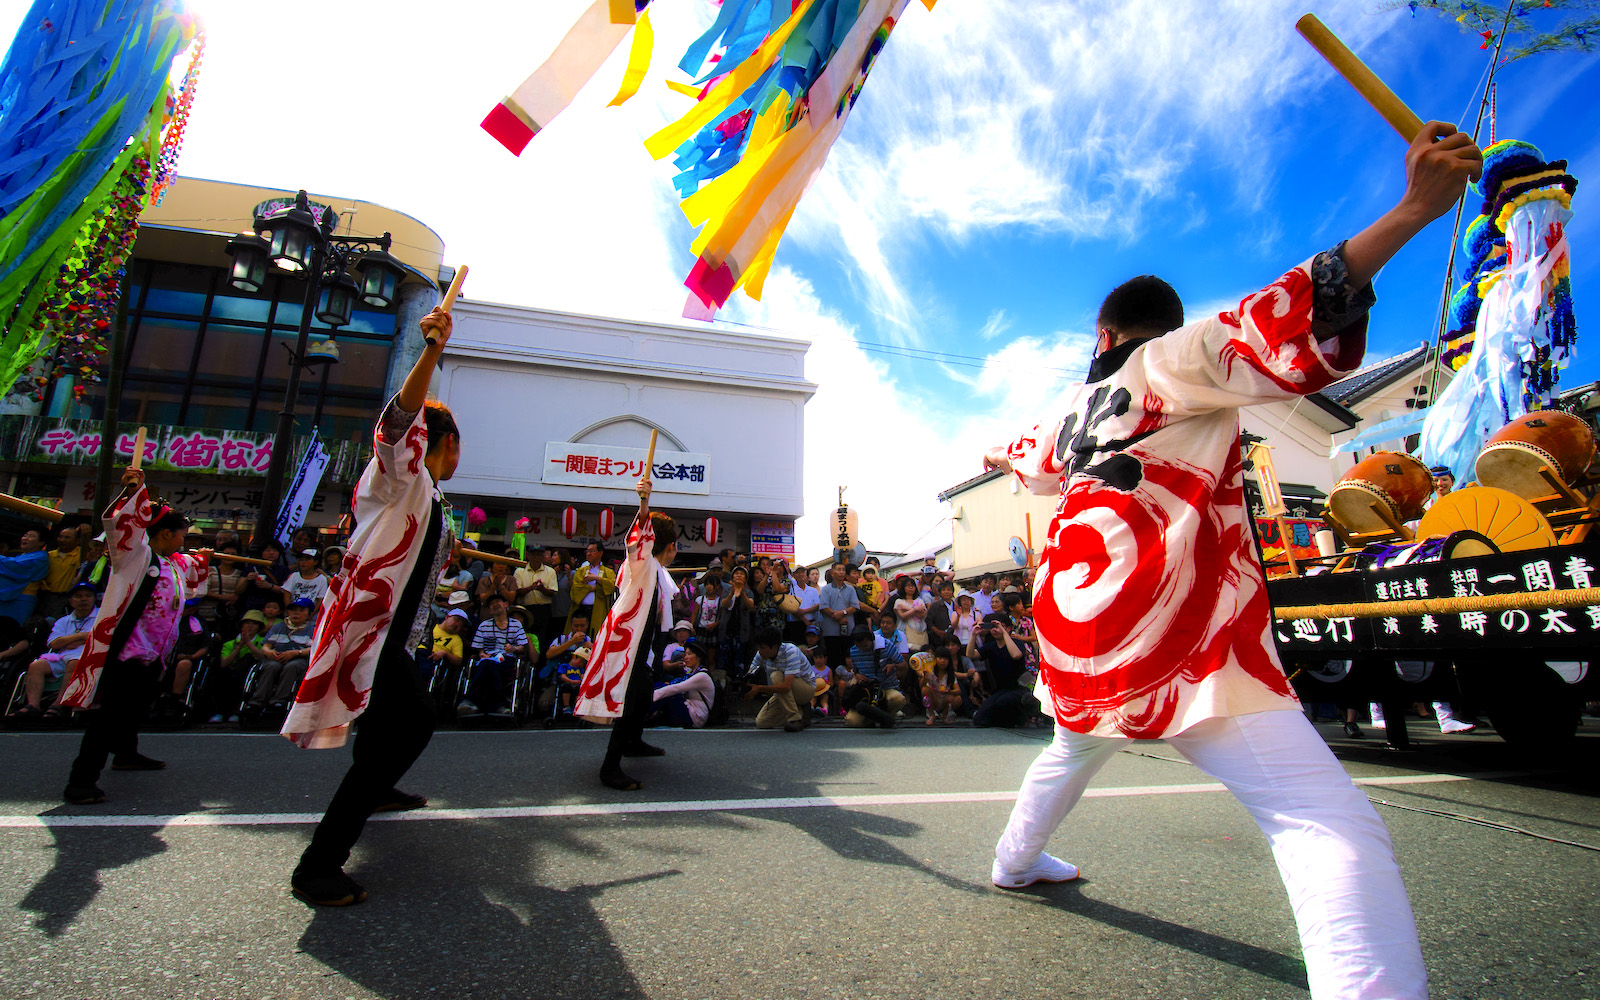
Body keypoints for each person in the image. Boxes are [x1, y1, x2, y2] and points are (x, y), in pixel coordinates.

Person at [977, 123, 1482, 1000]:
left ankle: (1014, 862)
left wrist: (995, 457)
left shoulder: (1066, 410)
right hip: (1167, 618)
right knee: (1325, 821)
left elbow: (1015, 454)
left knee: (1069, 750)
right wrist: (1413, 210)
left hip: (1075, 622)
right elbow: (1283, 312)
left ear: (1102, 332)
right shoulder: (1178, 358)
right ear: (1159, 329)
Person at [282, 304, 460, 907]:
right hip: (372, 631)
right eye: (457, 445)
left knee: (392, 726)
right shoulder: (398, 477)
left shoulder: (429, 497)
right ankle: (318, 863)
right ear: (443, 444)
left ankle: (378, 786)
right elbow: (399, 422)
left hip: (394, 636)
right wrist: (430, 352)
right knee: (413, 723)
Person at [54, 469, 211, 804]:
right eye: (182, 535)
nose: (186, 542)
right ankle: (80, 782)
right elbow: (120, 523)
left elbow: (197, 574)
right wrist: (133, 490)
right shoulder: (136, 557)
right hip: (129, 650)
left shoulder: (172, 562)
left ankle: (126, 753)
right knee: (109, 715)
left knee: (135, 708)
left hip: (155, 652)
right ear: (166, 534)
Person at [575, 477, 679, 791]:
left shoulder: (656, 571)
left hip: (641, 644)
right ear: (670, 546)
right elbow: (638, 539)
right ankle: (610, 767)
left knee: (644, 691)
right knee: (631, 698)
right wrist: (644, 504)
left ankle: (633, 741)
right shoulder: (644, 563)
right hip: (627, 642)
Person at [8, 582, 98, 721]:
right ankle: (33, 705)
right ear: (71, 601)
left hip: (89, 657)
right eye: (78, 596)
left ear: (94, 599)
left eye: (88, 596)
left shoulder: (101, 617)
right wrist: (80, 636)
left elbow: (100, 638)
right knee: (36, 665)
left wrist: (67, 640)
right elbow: (54, 643)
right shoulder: (64, 621)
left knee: (73, 663)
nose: (83, 599)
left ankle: (58, 705)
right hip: (62, 657)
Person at [459, 593, 528, 718]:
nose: (495, 605)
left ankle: (470, 700)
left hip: (507, 659)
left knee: (489, 665)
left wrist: (513, 648)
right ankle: (499, 705)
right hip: (488, 659)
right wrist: (482, 654)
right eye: (491, 604)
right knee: (488, 664)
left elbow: (522, 647)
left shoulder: (516, 624)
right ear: (489, 610)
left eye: (498, 602)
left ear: (506, 605)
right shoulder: (484, 626)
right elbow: (479, 649)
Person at [246, 598, 316, 714]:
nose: (296, 613)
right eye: (293, 610)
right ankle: (257, 702)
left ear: (309, 614)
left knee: (292, 666)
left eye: (301, 610)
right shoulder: (278, 627)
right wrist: (269, 652)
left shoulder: (312, 630)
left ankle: (279, 701)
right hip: (276, 657)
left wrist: (295, 653)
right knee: (271, 667)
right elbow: (266, 646)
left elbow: (314, 649)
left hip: (298, 658)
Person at [744, 626, 814, 731]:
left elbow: (786, 687)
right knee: (762, 722)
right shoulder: (760, 655)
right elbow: (750, 673)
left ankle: (795, 719)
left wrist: (759, 688)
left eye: (763, 648)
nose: (760, 651)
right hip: (783, 693)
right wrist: (745, 686)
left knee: (776, 675)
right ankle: (801, 712)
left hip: (805, 689)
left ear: (774, 647)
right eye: (759, 647)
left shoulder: (791, 651)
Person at [205, 611, 266, 724]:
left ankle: (237, 712)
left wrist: (249, 644)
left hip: (252, 674)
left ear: (259, 627)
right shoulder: (229, 644)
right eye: (247, 622)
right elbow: (224, 663)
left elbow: (263, 658)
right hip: (230, 673)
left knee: (242, 679)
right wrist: (239, 647)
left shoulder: (263, 642)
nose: (250, 626)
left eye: (254, 623)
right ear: (242, 625)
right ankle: (219, 712)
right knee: (221, 676)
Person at [650, 640, 718, 728]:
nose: (685, 657)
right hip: (687, 708)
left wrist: (652, 697)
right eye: (685, 654)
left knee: (668, 692)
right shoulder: (691, 673)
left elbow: (677, 688)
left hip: (695, 717)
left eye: (689, 654)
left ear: (698, 657)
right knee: (660, 685)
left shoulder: (702, 676)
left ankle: (643, 715)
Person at [842, 628, 901, 729]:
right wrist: (857, 675)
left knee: (897, 699)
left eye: (865, 646)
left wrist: (893, 666)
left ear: (872, 639)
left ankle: (887, 716)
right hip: (866, 691)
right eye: (859, 646)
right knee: (852, 722)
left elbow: (903, 665)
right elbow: (855, 671)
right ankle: (874, 718)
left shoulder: (887, 645)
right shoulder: (854, 651)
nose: (862, 649)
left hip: (886, 687)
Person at [0, 528, 50, 624]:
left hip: (21, 600)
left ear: (41, 542)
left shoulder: (41, 558)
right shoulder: (20, 556)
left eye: (31, 536)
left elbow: (14, 567)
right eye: (25, 535)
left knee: (12, 629)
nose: (25, 538)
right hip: (6, 598)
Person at [513, 544, 558, 648]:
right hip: (525, 609)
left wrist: (542, 589)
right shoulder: (520, 571)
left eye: (539, 555)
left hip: (543, 609)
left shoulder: (550, 571)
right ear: (528, 556)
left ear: (543, 557)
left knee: (542, 638)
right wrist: (531, 588)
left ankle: (539, 662)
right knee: (523, 637)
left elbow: (553, 592)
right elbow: (518, 592)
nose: (536, 558)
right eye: (534, 555)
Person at [816, 562, 859, 672]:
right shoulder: (826, 589)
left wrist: (843, 612)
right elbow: (824, 607)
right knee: (833, 659)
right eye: (838, 570)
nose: (841, 572)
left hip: (848, 630)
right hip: (830, 631)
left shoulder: (850, 589)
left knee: (848, 658)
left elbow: (854, 607)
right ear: (832, 573)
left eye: (843, 570)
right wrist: (838, 617)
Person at [568, 540, 617, 633]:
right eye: (587, 551)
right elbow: (575, 589)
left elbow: (611, 587)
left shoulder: (608, 572)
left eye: (591, 551)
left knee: (596, 634)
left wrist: (597, 578)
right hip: (581, 608)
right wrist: (595, 587)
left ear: (600, 553)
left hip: (598, 608)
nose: (588, 554)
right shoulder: (581, 571)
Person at [36, 526, 83, 622]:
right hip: (46, 597)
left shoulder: (81, 555)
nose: (62, 540)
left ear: (77, 540)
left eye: (67, 537)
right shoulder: (49, 555)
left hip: (65, 598)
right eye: (60, 537)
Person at [892, 575, 929, 653]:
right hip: (906, 633)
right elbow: (903, 616)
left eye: (912, 586)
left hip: (921, 632)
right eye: (908, 586)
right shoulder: (899, 601)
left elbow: (922, 615)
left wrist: (906, 608)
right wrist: (916, 609)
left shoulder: (919, 600)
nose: (911, 588)